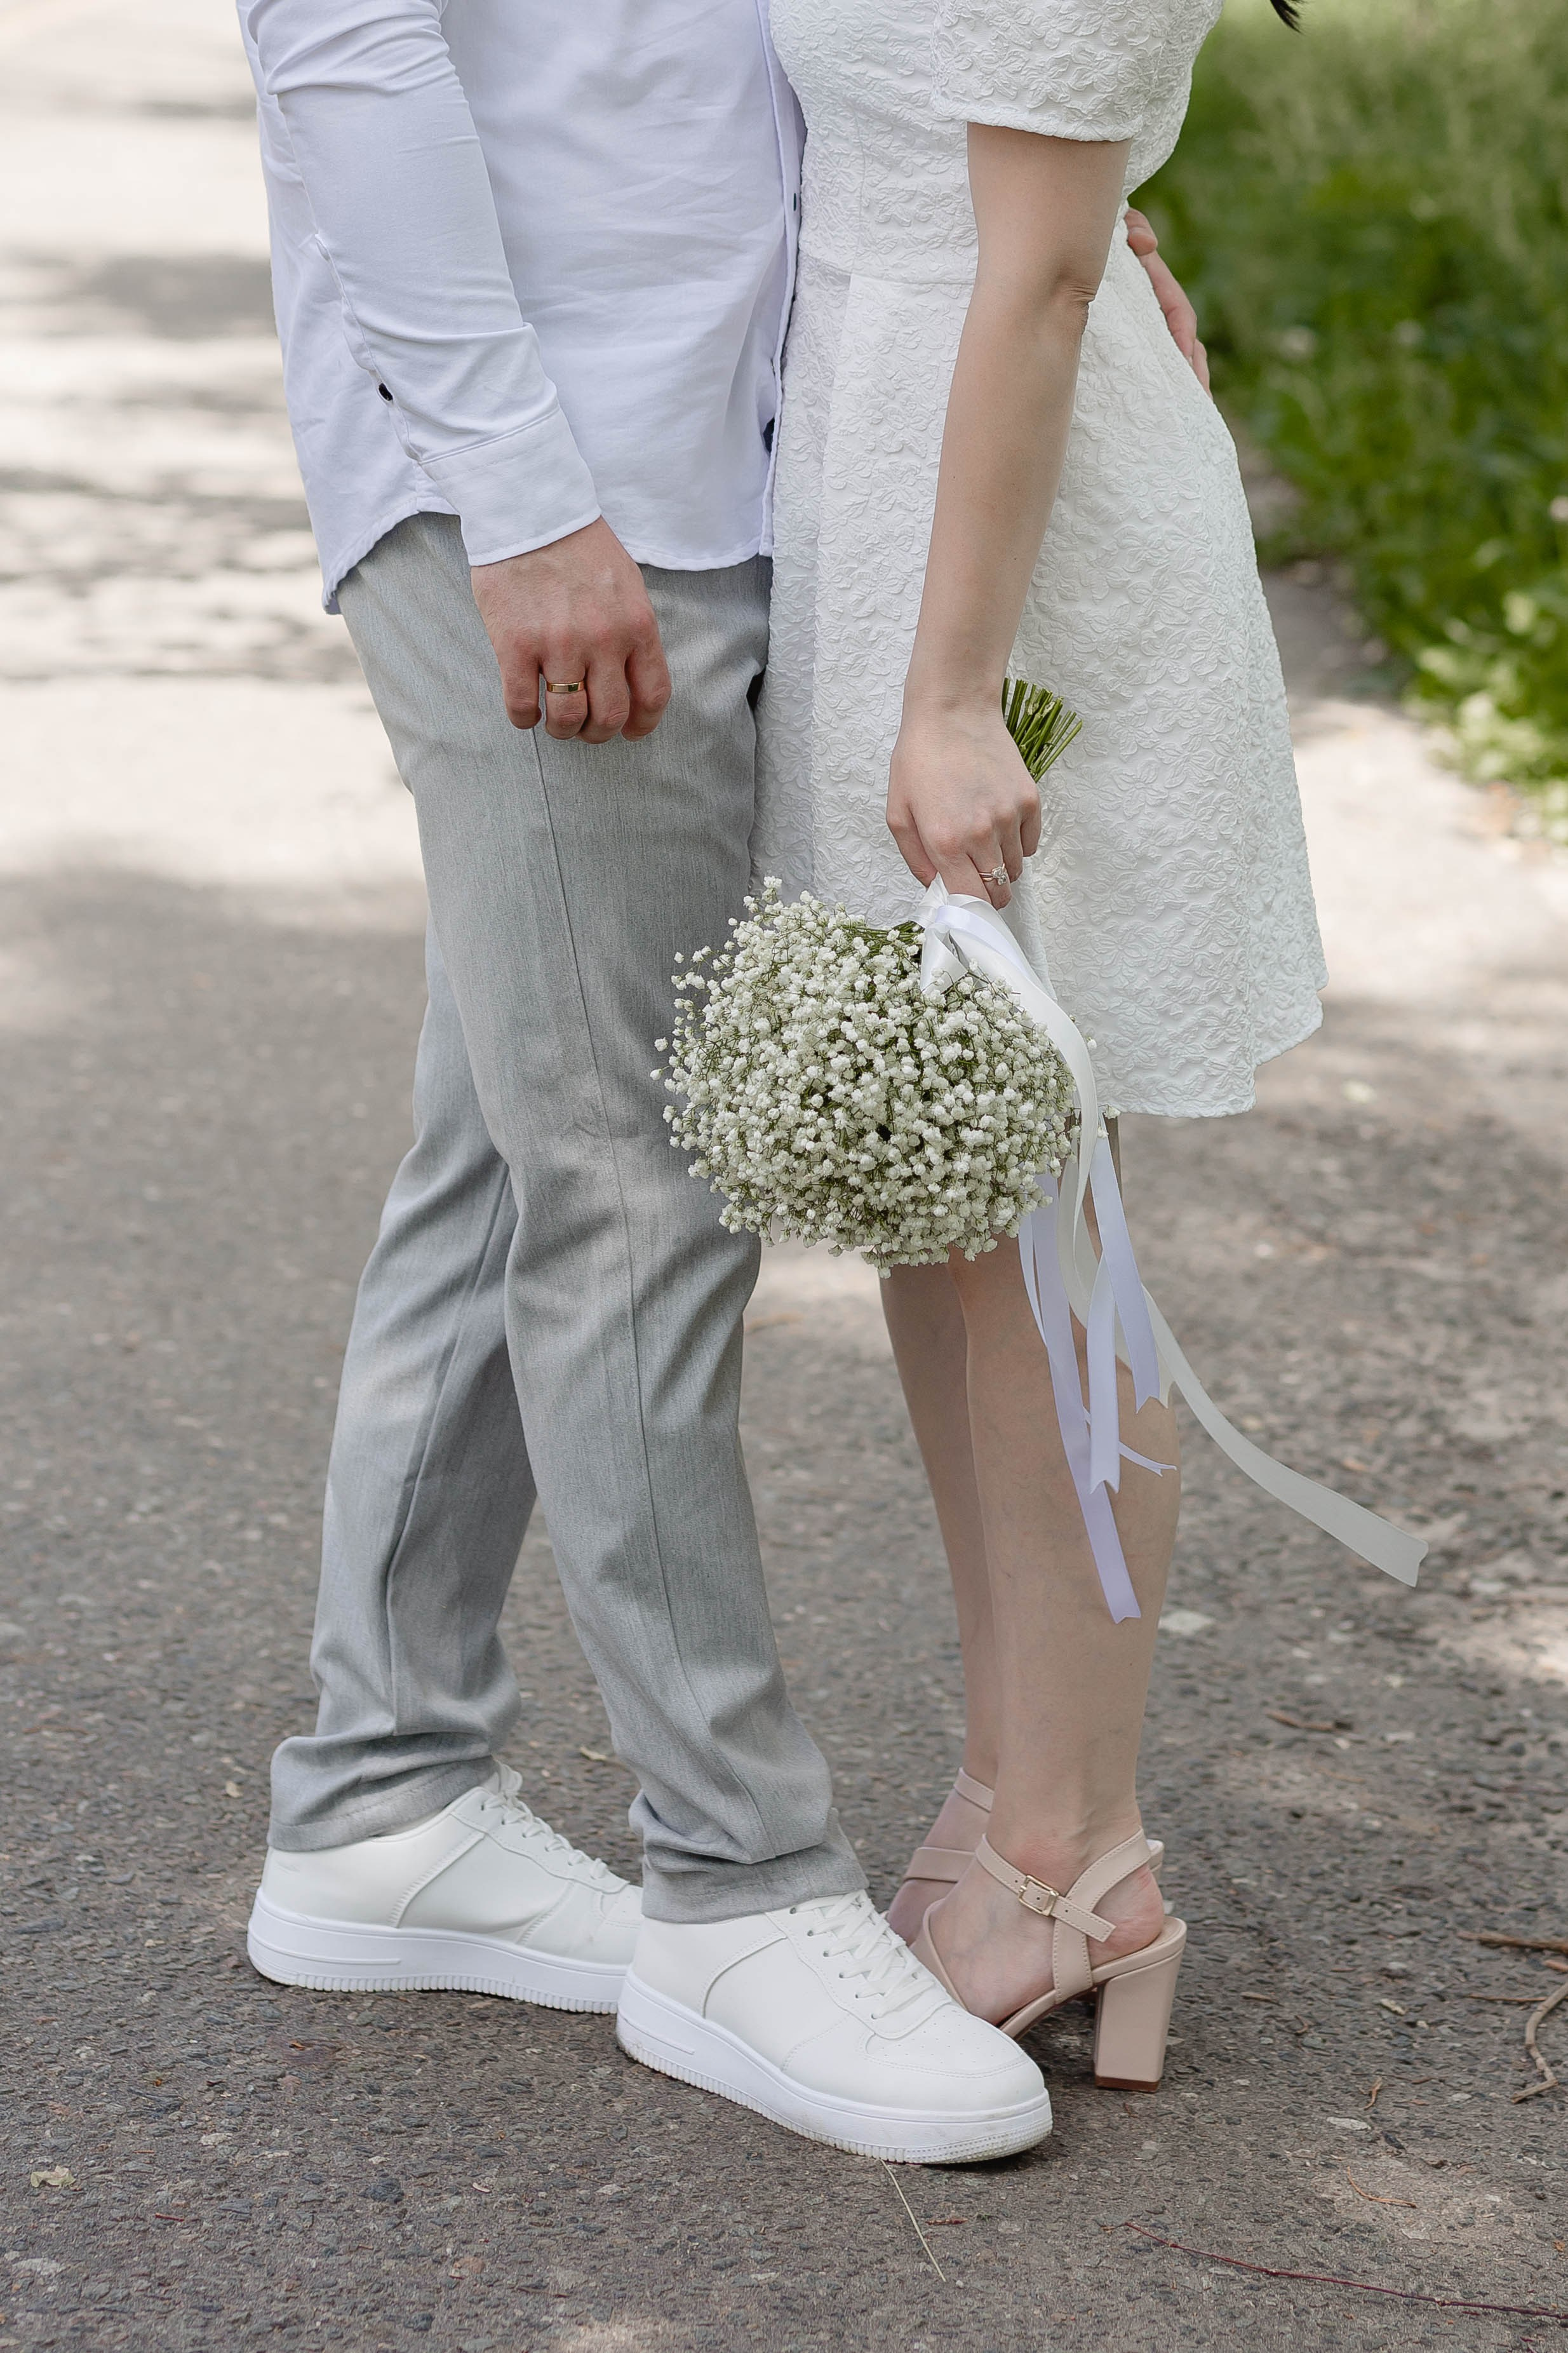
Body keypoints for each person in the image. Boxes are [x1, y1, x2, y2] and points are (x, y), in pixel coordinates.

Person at [233, 0, 1214, 2155]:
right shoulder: (541, 481)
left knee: (510, 1132)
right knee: (632, 1189)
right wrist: (514, 484)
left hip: (740, 433)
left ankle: (382, 1798)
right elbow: (343, 42)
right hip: (569, 476)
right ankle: (737, 1888)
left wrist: (1048, 227)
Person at [753, 0, 1325, 2068]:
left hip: (1006, 561)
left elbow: (1047, 259)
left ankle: (1085, 1857)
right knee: (944, 1196)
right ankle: (1007, 1802)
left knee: (1042, 1205)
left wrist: (951, 696)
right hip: (890, 466)